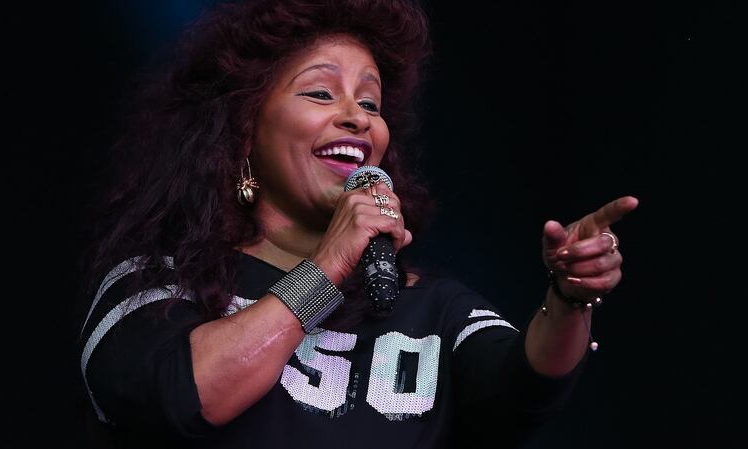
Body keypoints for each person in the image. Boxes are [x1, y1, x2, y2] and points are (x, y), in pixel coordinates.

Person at [77, 0, 639, 447]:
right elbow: (183, 398)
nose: (355, 116)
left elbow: (522, 393)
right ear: (243, 133)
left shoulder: (428, 308)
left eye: (370, 104)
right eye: (321, 93)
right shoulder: (159, 286)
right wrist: (326, 269)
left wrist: (568, 300)